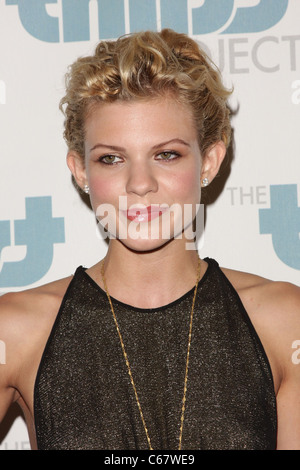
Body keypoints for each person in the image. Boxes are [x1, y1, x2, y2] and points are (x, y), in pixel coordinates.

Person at [0, 29, 299, 451]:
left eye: (166, 154)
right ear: (81, 171)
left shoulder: (285, 323)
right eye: (111, 158)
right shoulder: (15, 331)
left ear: (209, 160)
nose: (139, 184)